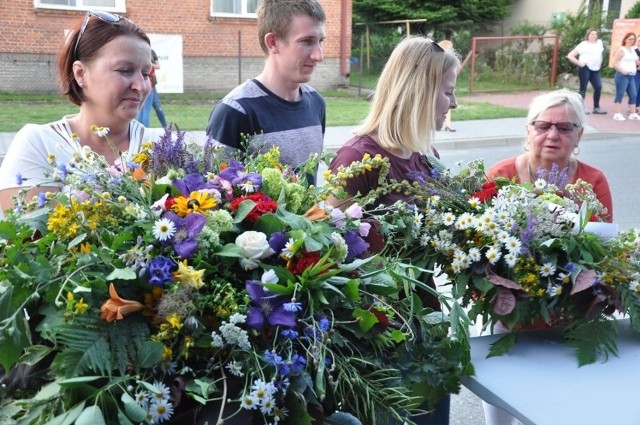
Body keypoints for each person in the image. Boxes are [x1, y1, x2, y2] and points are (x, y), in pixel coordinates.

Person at [328, 35, 461, 425]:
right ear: (419, 92)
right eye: (448, 93)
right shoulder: (357, 159)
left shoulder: (424, 155)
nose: (453, 104)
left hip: (425, 325)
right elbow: (331, 254)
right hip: (380, 338)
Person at [482, 89, 614, 424]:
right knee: (504, 394)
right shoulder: (501, 175)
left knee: (557, 407)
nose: (552, 134)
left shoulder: (593, 181)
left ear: (579, 135)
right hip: (510, 315)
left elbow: (601, 254)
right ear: (529, 130)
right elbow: (477, 249)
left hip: (570, 316)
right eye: (543, 125)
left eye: (565, 127)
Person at [0, 10, 154, 215]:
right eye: (125, 70)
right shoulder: (40, 144)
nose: (140, 86)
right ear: (81, 74)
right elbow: (28, 240)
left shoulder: (164, 145)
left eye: (145, 74)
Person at [205, 0, 326, 185]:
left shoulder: (317, 103)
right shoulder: (235, 111)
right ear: (273, 42)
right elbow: (212, 193)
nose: (319, 55)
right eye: (307, 41)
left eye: (320, 41)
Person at [566, 28, 607, 115]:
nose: (594, 36)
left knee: (598, 87)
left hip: (596, 69)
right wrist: (579, 63)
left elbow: (600, 54)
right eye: (592, 34)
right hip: (585, 68)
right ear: (588, 35)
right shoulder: (583, 44)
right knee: (583, 88)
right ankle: (581, 108)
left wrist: (599, 64)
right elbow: (570, 55)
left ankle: (596, 107)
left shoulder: (599, 43)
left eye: (595, 34)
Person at [611, 32, 640, 121]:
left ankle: (633, 114)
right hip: (622, 75)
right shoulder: (622, 50)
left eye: (633, 39)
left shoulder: (633, 49)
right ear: (625, 39)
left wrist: (637, 64)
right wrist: (622, 70)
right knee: (620, 94)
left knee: (633, 94)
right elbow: (614, 63)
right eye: (629, 39)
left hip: (631, 75)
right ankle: (617, 114)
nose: (631, 41)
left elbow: (636, 61)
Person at [137, 48, 168, 127]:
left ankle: (166, 127)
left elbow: (158, 66)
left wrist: (150, 64)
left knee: (157, 108)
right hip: (147, 85)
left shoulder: (151, 52)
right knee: (145, 109)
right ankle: (144, 131)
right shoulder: (138, 54)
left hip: (150, 85)